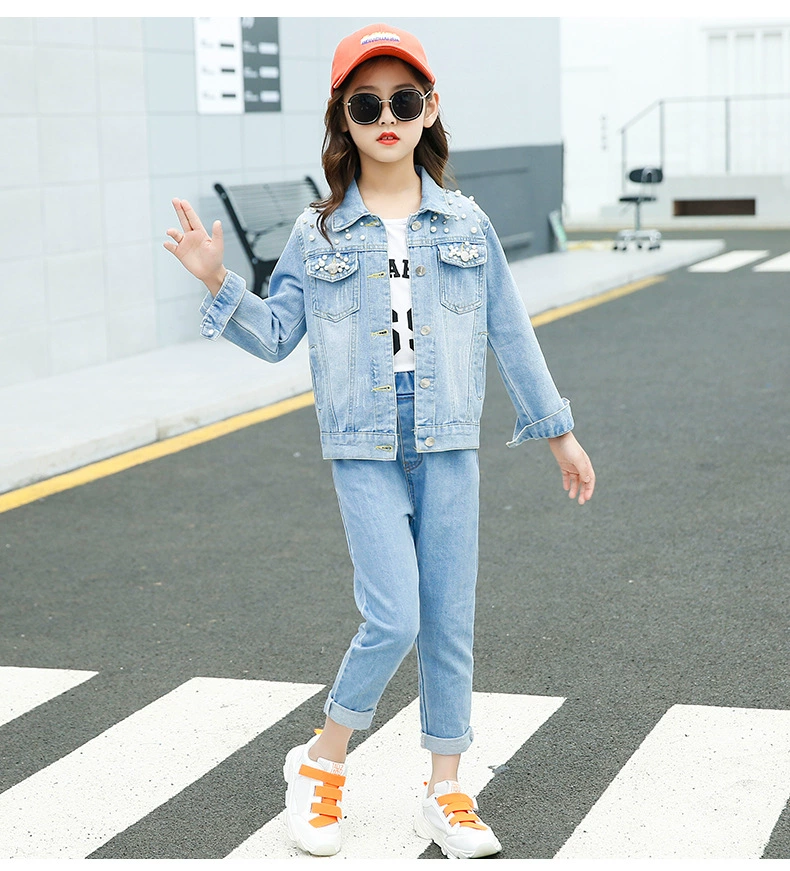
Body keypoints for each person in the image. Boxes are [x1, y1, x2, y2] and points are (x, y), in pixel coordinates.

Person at [163, 22, 595, 860]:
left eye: (403, 100)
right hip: (362, 443)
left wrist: (559, 433)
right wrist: (218, 281)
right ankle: (321, 761)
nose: (387, 118)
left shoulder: (465, 222)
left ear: (430, 108)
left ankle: (446, 788)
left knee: (449, 619)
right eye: (367, 105)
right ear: (343, 119)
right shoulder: (318, 231)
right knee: (395, 616)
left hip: (448, 441)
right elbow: (278, 334)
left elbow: (511, 330)